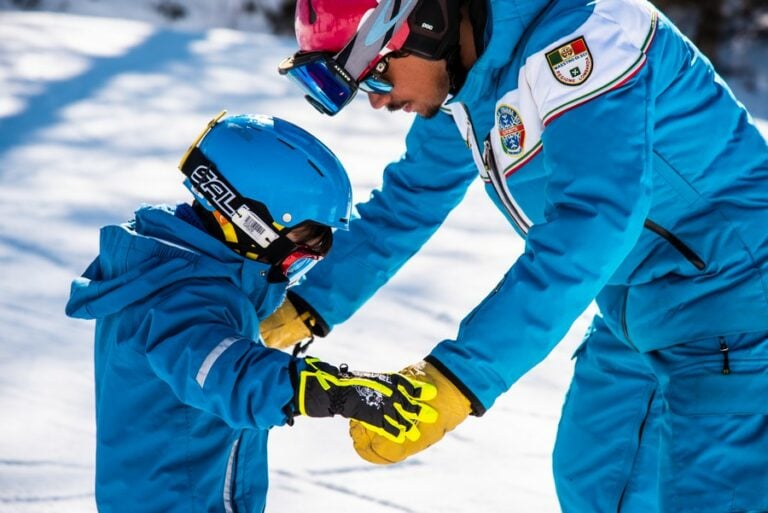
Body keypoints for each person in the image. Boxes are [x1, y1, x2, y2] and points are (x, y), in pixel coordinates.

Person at [267, 0, 768, 512]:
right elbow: (409, 200)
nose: (378, 101)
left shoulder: (588, 38)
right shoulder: (466, 79)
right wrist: (302, 307)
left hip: (737, 303)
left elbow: (592, 223)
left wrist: (457, 378)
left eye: (375, 77)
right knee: (595, 481)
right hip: (636, 307)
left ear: (425, 25)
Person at [64, 112, 439, 513]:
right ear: (246, 218)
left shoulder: (187, 271)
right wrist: (326, 388)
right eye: (301, 245)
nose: (299, 263)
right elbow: (221, 371)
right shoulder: (176, 296)